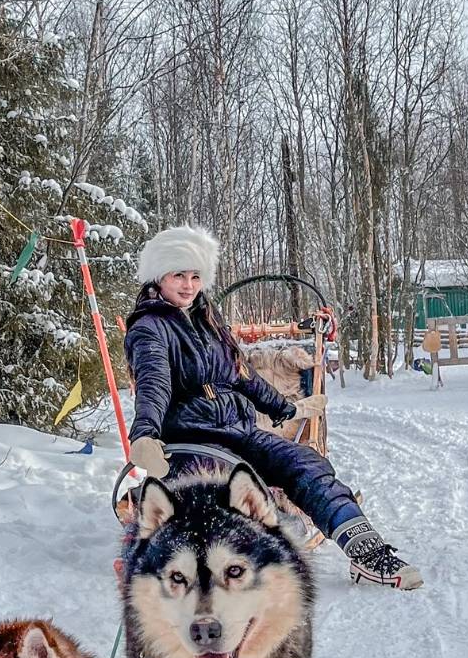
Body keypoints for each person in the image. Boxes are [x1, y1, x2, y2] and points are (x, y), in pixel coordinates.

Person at [124, 225, 423, 590]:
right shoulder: (150, 326)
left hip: (240, 431)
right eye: (178, 276)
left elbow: (242, 376)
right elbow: (153, 382)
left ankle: (366, 551)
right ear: (159, 277)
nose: (188, 285)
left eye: (195, 276)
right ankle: (161, 553)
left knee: (305, 463)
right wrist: (145, 435)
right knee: (221, 493)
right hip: (193, 440)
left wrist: (288, 409)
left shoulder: (207, 318)